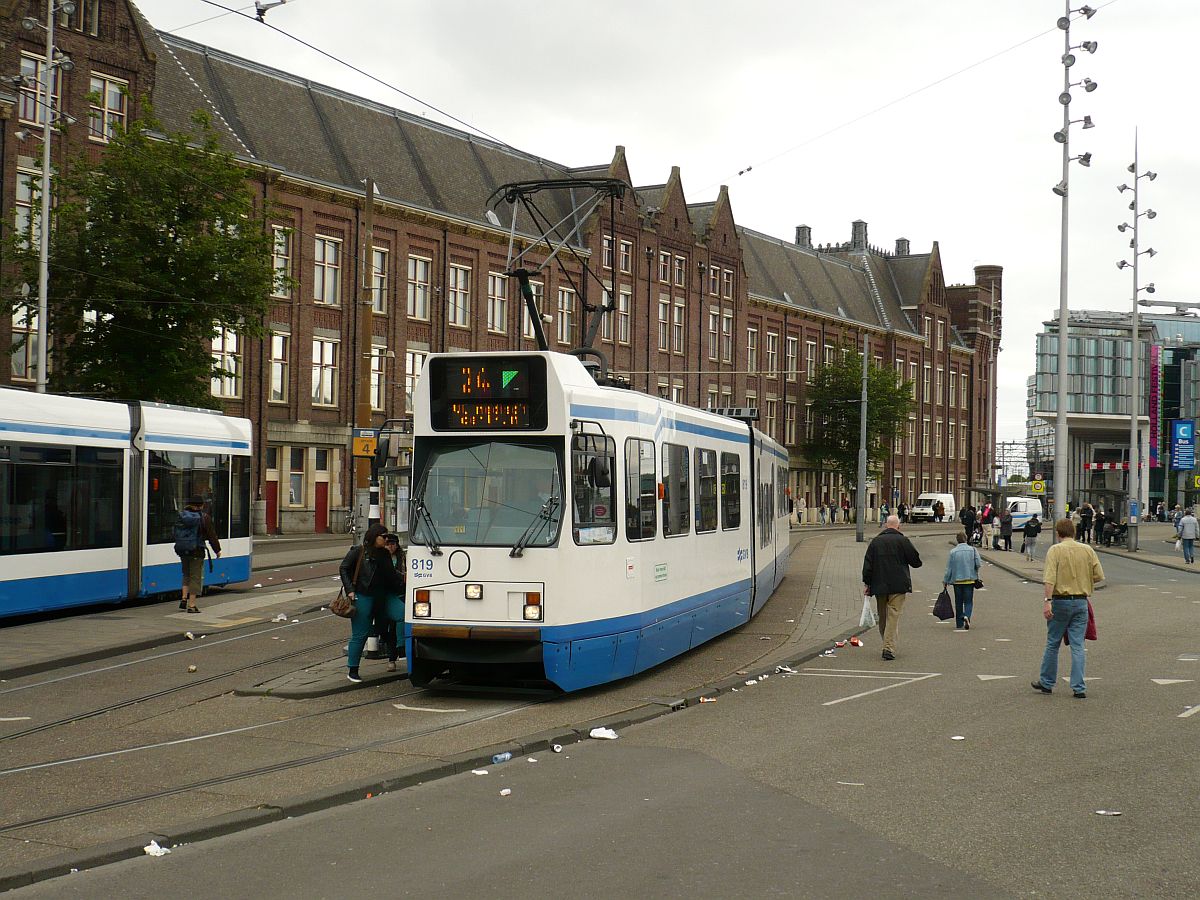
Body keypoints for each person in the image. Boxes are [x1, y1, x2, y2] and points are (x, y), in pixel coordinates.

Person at [1033, 518, 1104, 699]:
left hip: (1060, 601)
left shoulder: (1055, 550)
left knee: (1053, 642)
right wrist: (1083, 581)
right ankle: (1079, 687)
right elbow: (1099, 575)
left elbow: (1049, 578)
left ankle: (1047, 683)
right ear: (1074, 532)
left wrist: (1047, 601)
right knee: (1078, 645)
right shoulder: (1087, 550)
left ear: (1058, 533)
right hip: (1081, 602)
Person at [339, 523, 405, 683]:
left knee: (404, 613)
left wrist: (405, 584)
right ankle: (352, 669)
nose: (387, 540)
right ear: (374, 536)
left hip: (385, 595)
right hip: (363, 596)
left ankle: (402, 649)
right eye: (384, 537)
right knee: (360, 634)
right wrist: (350, 590)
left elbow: (391, 576)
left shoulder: (385, 554)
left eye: (388, 536)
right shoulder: (358, 551)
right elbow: (344, 568)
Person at [862, 514, 923, 661]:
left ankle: (887, 643)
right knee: (893, 615)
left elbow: (867, 566)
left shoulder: (875, 542)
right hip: (898, 584)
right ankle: (888, 647)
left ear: (885, 525)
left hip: (879, 585)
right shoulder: (903, 541)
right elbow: (916, 561)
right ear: (898, 526)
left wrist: (867, 584)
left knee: (883, 616)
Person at [174, 496, 221, 614]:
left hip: (182, 549)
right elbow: (212, 536)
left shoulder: (182, 516)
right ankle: (192, 605)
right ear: (201, 505)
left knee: (186, 574)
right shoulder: (204, 518)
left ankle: (184, 599)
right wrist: (217, 550)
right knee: (195, 577)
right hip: (197, 550)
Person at [943, 530, 982, 630]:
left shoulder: (953, 552)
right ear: (966, 539)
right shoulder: (973, 550)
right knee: (968, 601)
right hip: (969, 579)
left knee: (958, 602)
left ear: (957, 540)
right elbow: (978, 564)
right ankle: (967, 616)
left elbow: (949, 568)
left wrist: (946, 580)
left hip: (957, 580)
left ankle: (959, 623)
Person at [381, 533, 407, 671]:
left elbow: (406, 576)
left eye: (392, 544)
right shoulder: (381, 558)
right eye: (388, 544)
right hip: (387, 596)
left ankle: (399, 651)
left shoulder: (402, 558)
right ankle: (391, 658)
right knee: (389, 629)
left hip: (401, 594)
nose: (390, 547)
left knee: (398, 624)